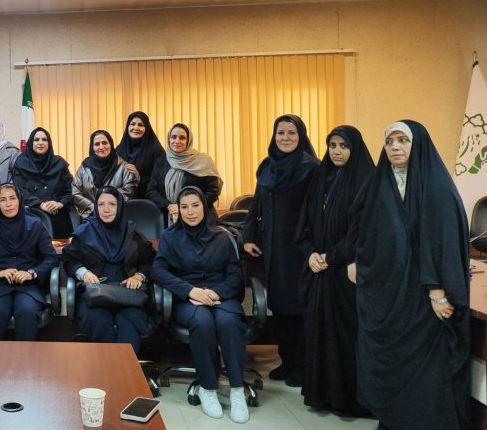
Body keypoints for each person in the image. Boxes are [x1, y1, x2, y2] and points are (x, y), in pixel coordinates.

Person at [355, 121, 471, 430]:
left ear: (417, 144)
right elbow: (366, 232)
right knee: (394, 365)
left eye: (402, 140)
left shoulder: (436, 187)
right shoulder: (380, 184)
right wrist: (359, 261)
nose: (395, 147)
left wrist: (437, 289)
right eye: (389, 141)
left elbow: (441, 241)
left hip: (424, 297)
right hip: (390, 292)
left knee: (424, 370)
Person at [152, 186, 250, 423]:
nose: (190, 212)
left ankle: (237, 390)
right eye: (184, 207)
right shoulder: (170, 237)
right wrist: (190, 290)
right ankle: (208, 389)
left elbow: (235, 275)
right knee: (202, 322)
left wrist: (216, 293)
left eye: (195, 205)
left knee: (228, 322)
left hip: (220, 296)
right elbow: (158, 270)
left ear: (204, 207)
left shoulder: (222, 236)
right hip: (189, 298)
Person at [294, 126, 374, 416]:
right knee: (319, 335)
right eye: (332, 145)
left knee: (344, 337)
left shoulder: (367, 180)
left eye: (344, 145)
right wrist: (311, 254)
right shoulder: (321, 177)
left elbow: (361, 232)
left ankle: (349, 400)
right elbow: (303, 224)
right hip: (319, 269)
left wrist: (331, 257)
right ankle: (323, 396)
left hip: (344, 272)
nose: (337, 151)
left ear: (355, 148)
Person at [242, 114, 319, 387]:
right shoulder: (267, 166)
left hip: (300, 248)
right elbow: (256, 205)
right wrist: (248, 236)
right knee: (281, 307)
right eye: (281, 133)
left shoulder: (312, 168)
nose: (285, 138)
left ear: (301, 136)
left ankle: (304, 365)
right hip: (272, 248)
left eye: (291, 133)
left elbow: (317, 212)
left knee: (300, 307)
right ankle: (287, 361)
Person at [63, 187, 156, 355]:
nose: (106, 209)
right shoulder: (85, 232)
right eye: (101, 204)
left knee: (130, 320)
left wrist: (139, 276)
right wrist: (83, 272)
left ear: (120, 206)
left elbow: (150, 261)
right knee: (97, 320)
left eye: (112, 204)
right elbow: (69, 260)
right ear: (96, 207)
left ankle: (123, 368)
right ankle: (108, 368)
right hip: (94, 294)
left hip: (128, 294)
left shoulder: (132, 234)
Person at [0, 184, 59, 340]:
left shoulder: (35, 224)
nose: (8, 204)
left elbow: (51, 257)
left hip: (29, 286)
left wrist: (32, 273)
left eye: (12, 198)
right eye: (3, 200)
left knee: (27, 313)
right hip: (0, 285)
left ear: (20, 200)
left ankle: (25, 356)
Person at [145, 123, 223, 225]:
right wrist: (169, 206)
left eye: (182, 138)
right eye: (173, 137)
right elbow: (151, 190)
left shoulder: (203, 161)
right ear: (169, 139)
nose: (177, 141)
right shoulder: (161, 161)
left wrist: (185, 207)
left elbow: (212, 192)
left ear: (188, 140)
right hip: (169, 218)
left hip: (201, 219)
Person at [11, 127, 75, 238]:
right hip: (31, 217)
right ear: (31, 143)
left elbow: (71, 191)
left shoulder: (59, 163)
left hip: (59, 217)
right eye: (36, 140)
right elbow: (19, 190)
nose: (40, 143)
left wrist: (60, 204)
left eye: (44, 139)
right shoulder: (21, 163)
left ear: (49, 143)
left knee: (60, 248)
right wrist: (40, 204)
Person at [72, 130, 138, 219]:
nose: (101, 147)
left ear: (111, 144)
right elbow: (75, 192)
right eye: (97, 144)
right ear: (92, 147)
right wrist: (94, 208)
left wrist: (106, 207)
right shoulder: (84, 168)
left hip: (116, 218)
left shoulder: (124, 167)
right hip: (90, 217)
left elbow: (129, 192)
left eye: (104, 143)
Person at [115, 111, 165, 199]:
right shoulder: (119, 150)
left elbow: (160, 182)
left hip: (147, 201)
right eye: (132, 124)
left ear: (147, 128)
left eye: (141, 125)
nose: (136, 128)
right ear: (127, 127)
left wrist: (139, 178)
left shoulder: (157, 151)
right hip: (121, 200)